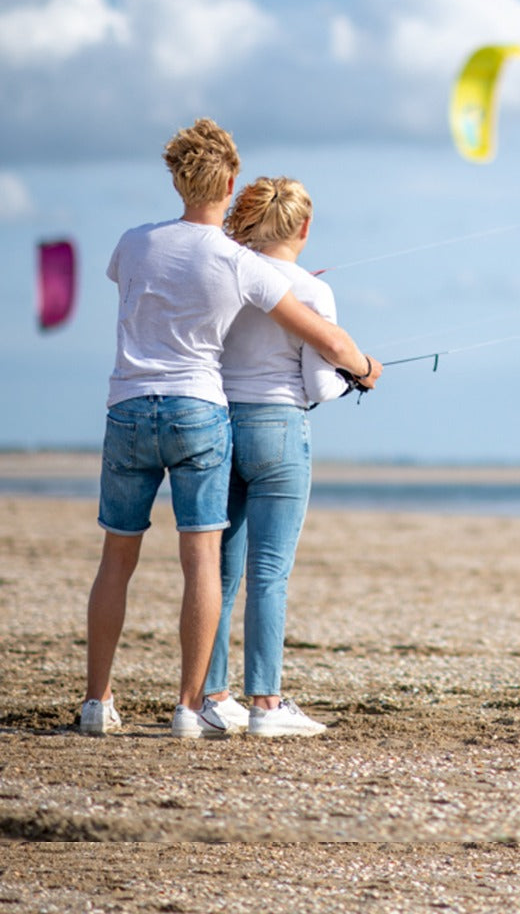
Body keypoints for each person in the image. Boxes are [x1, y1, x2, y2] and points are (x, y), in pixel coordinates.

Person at [81, 120, 382, 739]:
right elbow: (326, 348)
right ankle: (215, 706)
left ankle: (114, 701)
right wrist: (366, 370)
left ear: (177, 179)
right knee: (223, 564)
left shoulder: (133, 242)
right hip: (211, 416)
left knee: (124, 558)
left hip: (133, 409)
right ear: (230, 183)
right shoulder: (241, 264)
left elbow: (142, 282)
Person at [202, 177, 352, 737]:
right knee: (268, 574)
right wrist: (358, 375)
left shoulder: (227, 277)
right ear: (304, 227)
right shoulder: (312, 292)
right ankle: (266, 704)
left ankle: (212, 698)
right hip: (280, 430)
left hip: (218, 426)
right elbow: (320, 385)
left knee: (219, 571)